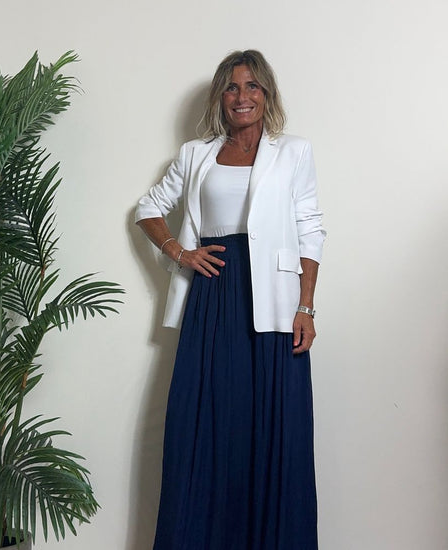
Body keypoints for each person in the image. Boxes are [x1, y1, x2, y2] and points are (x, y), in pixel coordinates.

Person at [135, 49, 325, 550]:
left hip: (277, 304)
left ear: (267, 94)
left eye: (252, 86)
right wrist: (180, 252)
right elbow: (148, 207)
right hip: (215, 298)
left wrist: (306, 306)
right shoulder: (195, 154)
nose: (242, 96)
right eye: (232, 87)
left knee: (275, 427)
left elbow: (310, 228)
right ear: (221, 97)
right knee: (204, 422)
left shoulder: (294, 152)